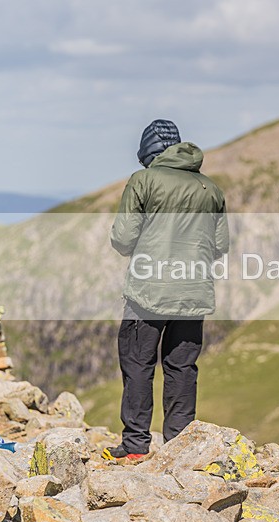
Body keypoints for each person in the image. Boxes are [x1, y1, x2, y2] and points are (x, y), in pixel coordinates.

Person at [104, 119, 229, 461]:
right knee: (182, 369)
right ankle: (178, 448)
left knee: (138, 365)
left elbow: (123, 239)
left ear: (147, 153)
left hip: (148, 292)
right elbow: (220, 245)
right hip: (194, 294)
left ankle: (135, 447)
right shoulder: (210, 189)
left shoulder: (142, 181)